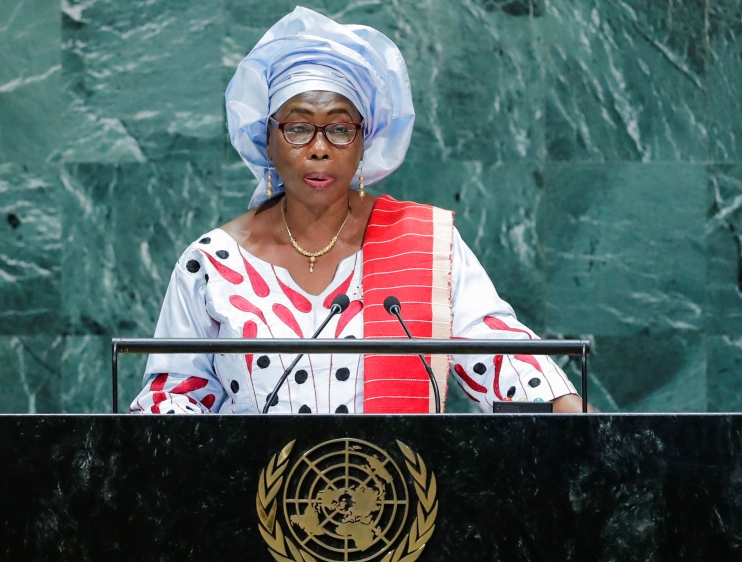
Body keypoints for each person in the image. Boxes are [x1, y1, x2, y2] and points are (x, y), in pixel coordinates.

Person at [131, 7, 586, 415]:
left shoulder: (423, 245)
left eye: (340, 130)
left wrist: (579, 419)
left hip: (397, 501)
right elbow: (171, 397)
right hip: (251, 503)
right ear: (266, 138)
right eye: (298, 128)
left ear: (364, 140)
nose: (319, 149)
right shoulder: (211, 262)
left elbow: (495, 350)